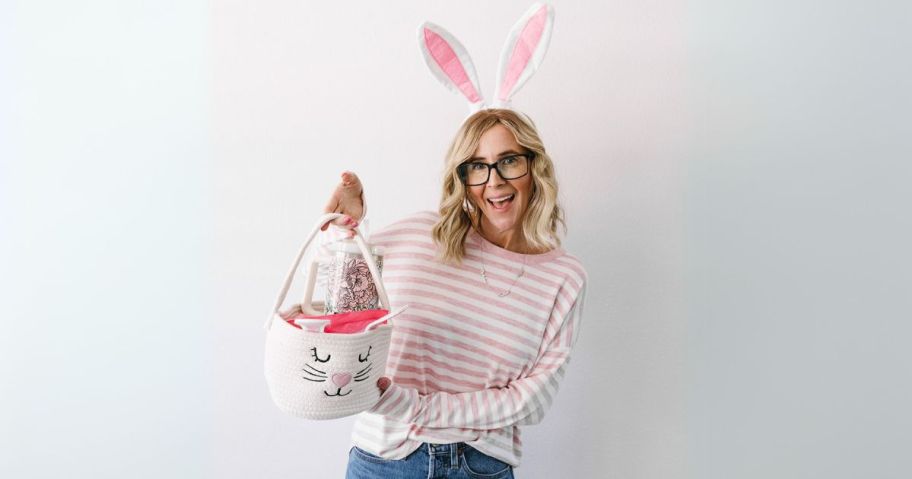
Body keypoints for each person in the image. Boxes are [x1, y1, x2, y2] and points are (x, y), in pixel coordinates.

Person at [325, 109, 587, 479]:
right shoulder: (420, 236)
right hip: (384, 460)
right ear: (462, 177)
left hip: (480, 466)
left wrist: (416, 408)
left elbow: (534, 402)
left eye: (508, 161)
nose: (494, 181)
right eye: (477, 166)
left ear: (534, 166)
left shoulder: (564, 277)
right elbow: (344, 316)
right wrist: (345, 232)